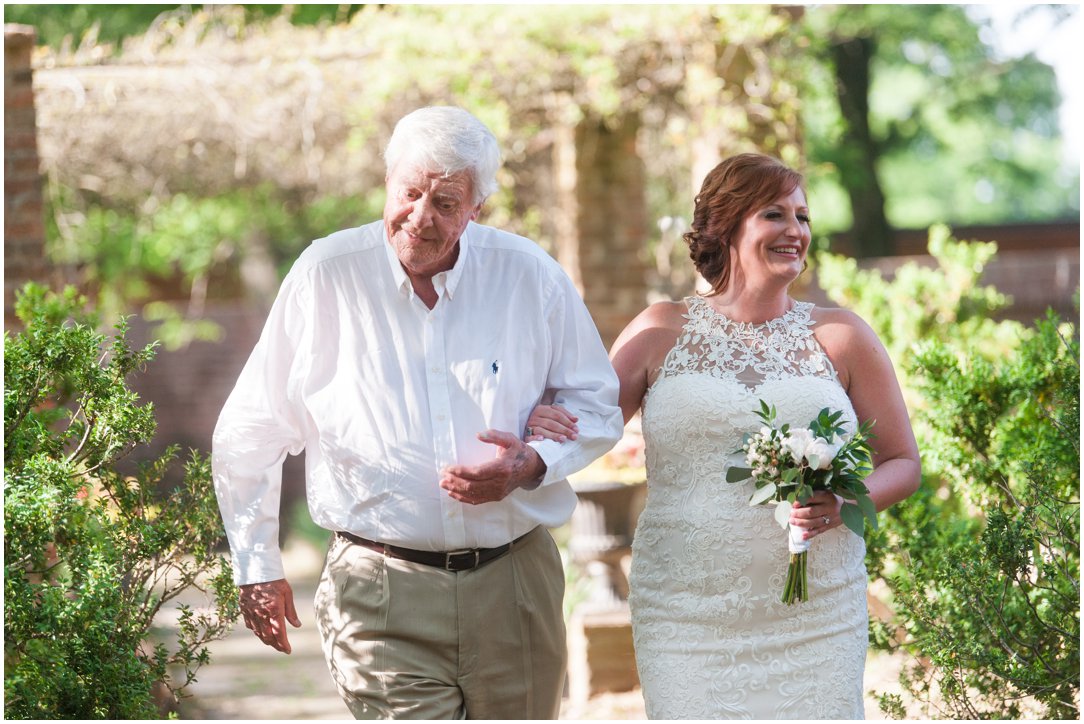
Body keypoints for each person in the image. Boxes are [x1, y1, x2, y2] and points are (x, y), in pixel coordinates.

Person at [212, 106, 623, 720]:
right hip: (378, 592)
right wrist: (256, 563)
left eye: (446, 202)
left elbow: (594, 401)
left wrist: (534, 461)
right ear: (387, 183)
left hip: (513, 583)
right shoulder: (326, 277)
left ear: (477, 208)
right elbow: (251, 428)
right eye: (409, 192)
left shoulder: (528, 275)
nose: (420, 217)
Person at [526, 153, 921, 719]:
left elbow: (903, 462)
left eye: (803, 217)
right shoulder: (660, 330)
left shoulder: (841, 336)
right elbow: (586, 424)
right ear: (728, 226)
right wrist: (544, 422)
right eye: (774, 215)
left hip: (817, 615)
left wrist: (845, 499)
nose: (796, 231)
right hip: (687, 617)